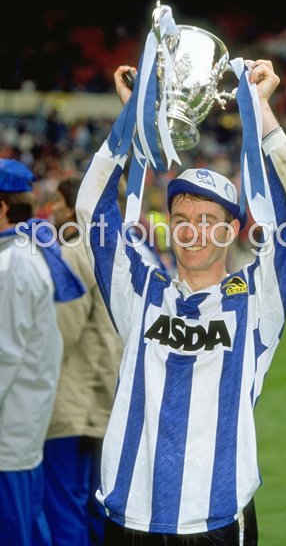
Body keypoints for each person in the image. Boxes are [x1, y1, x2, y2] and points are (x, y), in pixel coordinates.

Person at [75, 59, 286, 545]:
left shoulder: (255, 299)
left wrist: (262, 110)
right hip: (131, 518)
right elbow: (91, 209)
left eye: (210, 219)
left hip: (217, 520)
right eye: (182, 217)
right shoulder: (141, 292)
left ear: (230, 231)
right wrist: (133, 121)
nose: (194, 230)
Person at [0, 159, 85, 546]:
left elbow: (4, 354)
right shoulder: (25, 251)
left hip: (10, 434)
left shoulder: (14, 261)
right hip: (23, 425)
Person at [42, 175, 124, 546]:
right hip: (109, 400)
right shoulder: (123, 251)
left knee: (65, 505)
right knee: (96, 506)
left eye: (58, 202)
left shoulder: (77, 252)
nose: (52, 210)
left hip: (75, 401)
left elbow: (61, 332)